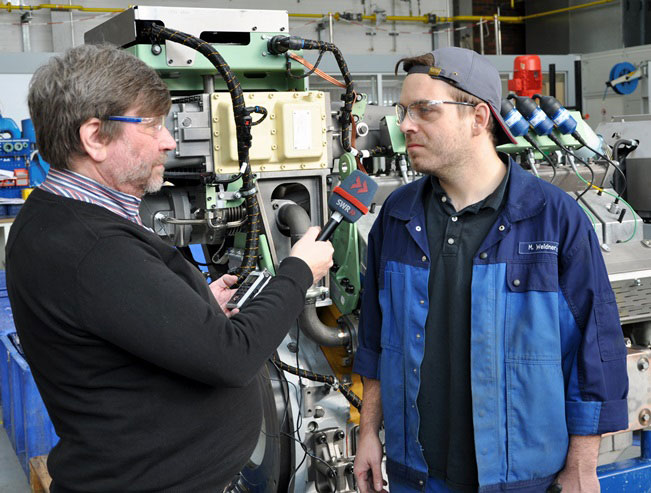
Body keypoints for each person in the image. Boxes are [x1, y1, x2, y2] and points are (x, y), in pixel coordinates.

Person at [6, 44, 333, 492]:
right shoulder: (93, 247)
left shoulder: (54, 216)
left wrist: (194, 306)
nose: (169, 141)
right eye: (152, 124)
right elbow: (232, 358)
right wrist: (299, 272)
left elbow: (117, 321)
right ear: (94, 137)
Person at [353, 47, 628, 493]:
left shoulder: (553, 218)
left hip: (522, 478)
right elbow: (376, 339)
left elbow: (596, 349)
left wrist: (582, 463)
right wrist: (368, 433)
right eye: (404, 110)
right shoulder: (398, 215)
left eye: (425, 110)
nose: (405, 125)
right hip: (416, 476)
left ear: (478, 117)